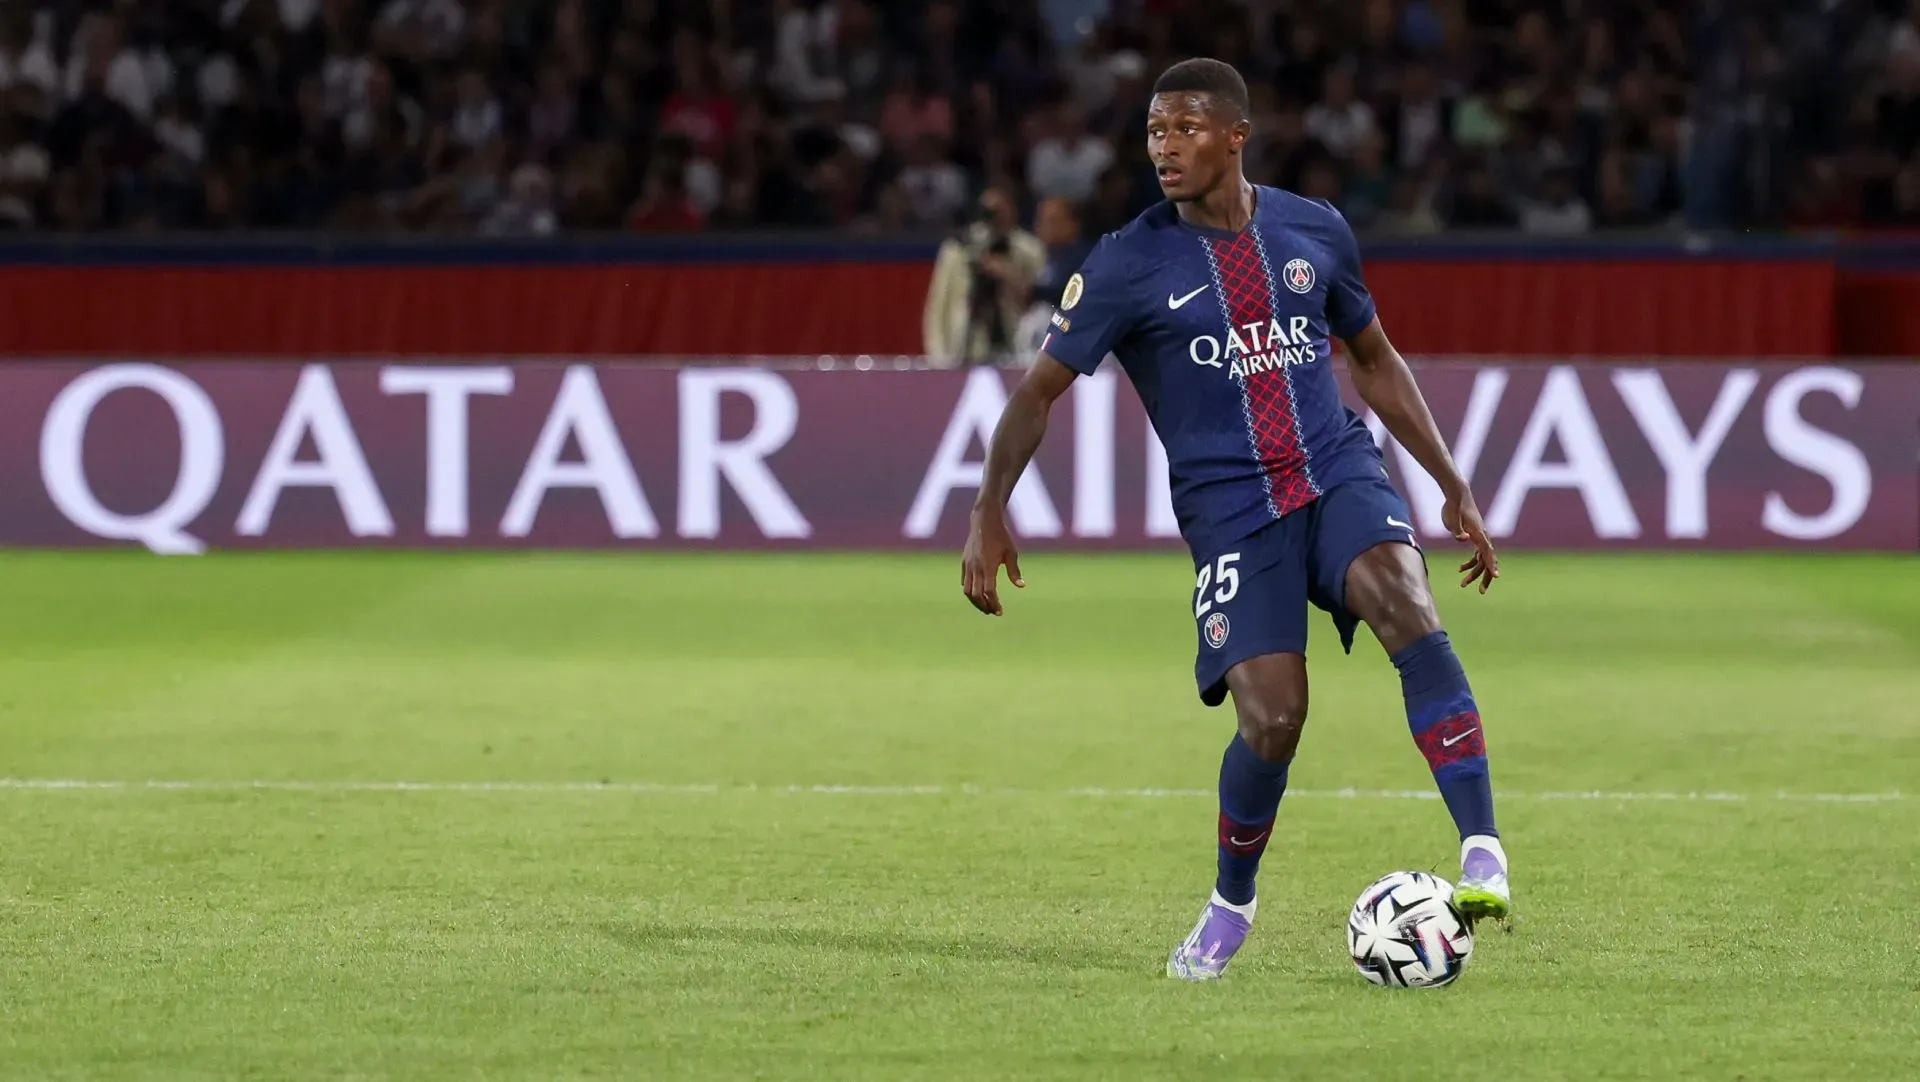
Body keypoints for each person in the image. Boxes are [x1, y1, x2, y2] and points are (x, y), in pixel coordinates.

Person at [958, 58, 1512, 982]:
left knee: (1403, 601)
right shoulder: (1130, 261)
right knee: (1273, 718)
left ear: (1234, 136)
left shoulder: (1314, 229)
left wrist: (1450, 481)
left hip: (1334, 467)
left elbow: (1372, 359)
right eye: (1154, 132)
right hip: (1230, 512)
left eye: (1183, 129)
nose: (1163, 149)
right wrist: (988, 509)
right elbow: (1036, 394)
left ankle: (1483, 850)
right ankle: (1231, 904)